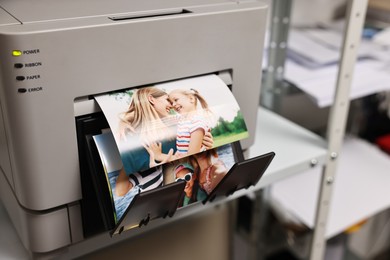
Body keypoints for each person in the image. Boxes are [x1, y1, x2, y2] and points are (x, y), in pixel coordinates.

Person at [115, 87, 213, 197]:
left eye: (174, 101)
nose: (172, 105)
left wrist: (204, 142)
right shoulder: (133, 139)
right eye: (168, 100)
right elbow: (121, 191)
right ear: (151, 99)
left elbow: (191, 151)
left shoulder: (176, 127)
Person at [168, 88, 213, 157]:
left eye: (176, 100)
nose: (173, 104)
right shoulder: (182, 120)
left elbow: (192, 155)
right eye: (171, 103)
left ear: (191, 99)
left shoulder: (197, 122)